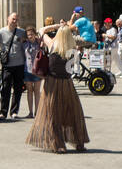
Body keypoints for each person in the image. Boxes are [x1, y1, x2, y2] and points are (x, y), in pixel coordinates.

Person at [26, 23, 90, 153]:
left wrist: (56, 26)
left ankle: (58, 144)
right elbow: (89, 38)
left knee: (53, 114)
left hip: (52, 83)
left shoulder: (52, 45)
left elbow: (41, 30)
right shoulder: (73, 47)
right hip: (67, 83)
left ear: (59, 35)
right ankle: (79, 143)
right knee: (73, 113)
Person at [0, 12, 28, 119]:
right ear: (8, 19)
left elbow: (31, 40)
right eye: (13, 19)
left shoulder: (22, 32)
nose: (15, 21)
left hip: (20, 64)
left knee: (18, 89)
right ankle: (3, 112)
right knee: (5, 89)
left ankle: (14, 112)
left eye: (16, 19)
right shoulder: (1, 32)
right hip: (7, 65)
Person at [22, 26, 43, 116]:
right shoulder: (24, 44)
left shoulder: (39, 43)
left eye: (31, 34)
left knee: (37, 91)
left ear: (35, 34)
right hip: (27, 69)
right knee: (29, 91)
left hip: (38, 70)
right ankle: (30, 112)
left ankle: (37, 111)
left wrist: (40, 40)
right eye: (28, 35)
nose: (30, 36)